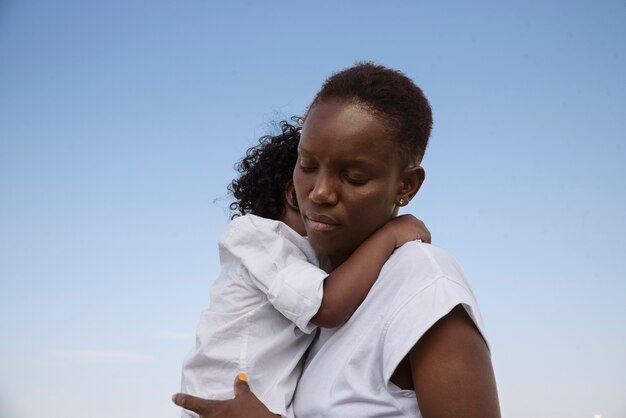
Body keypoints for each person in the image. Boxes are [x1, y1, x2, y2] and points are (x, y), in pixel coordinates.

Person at [173, 62, 501, 417]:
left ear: (406, 186)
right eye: (308, 165)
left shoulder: (423, 282)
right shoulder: (313, 292)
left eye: (354, 176)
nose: (319, 192)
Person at [179, 120, 432, 417]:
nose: (327, 195)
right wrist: (388, 234)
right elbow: (328, 307)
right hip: (222, 403)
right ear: (294, 197)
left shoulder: (314, 260)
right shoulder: (257, 236)